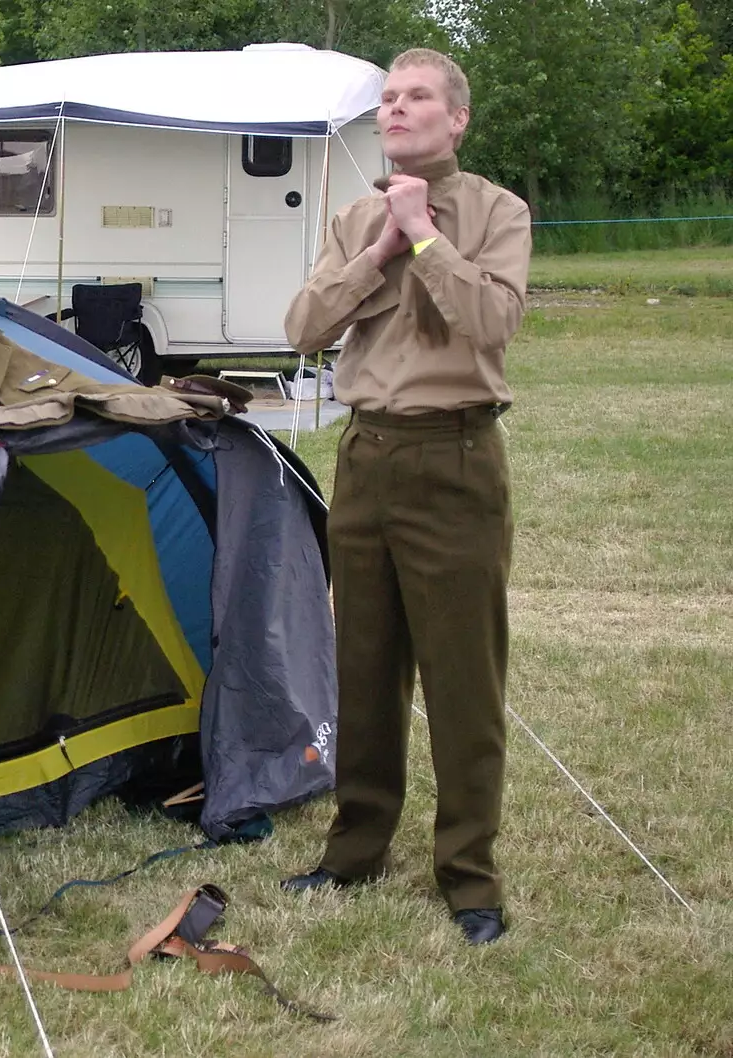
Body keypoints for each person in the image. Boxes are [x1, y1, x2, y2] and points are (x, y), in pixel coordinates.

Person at [280, 48, 532, 945]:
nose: (396, 109)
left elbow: (495, 322)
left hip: (455, 459)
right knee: (365, 668)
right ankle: (355, 850)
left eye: (417, 97)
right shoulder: (353, 218)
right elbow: (303, 328)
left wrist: (427, 238)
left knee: (464, 679)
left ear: (456, 118)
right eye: (387, 98)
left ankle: (469, 877)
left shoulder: (498, 211)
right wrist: (381, 245)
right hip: (366, 458)